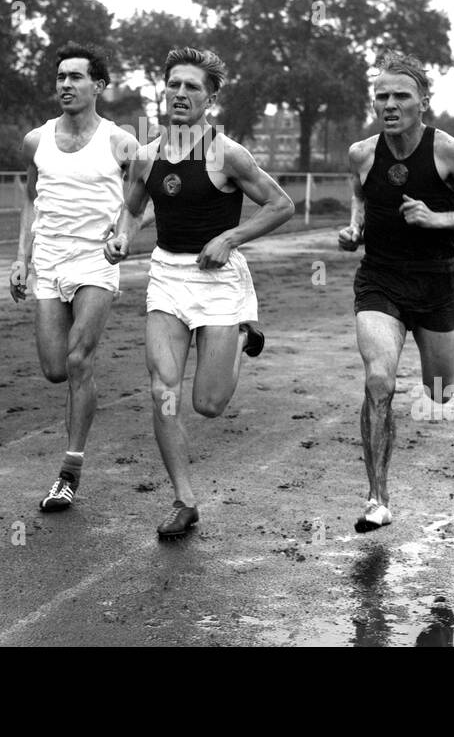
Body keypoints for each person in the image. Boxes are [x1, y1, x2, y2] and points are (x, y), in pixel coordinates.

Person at [104, 47, 294, 539]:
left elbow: (281, 204)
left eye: (192, 86)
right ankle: (184, 500)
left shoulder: (227, 154)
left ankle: (242, 334)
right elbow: (132, 208)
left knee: (208, 404)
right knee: (162, 390)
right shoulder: (145, 156)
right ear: (162, 90)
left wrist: (230, 237)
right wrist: (123, 237)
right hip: (167, 276)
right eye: (174, 84)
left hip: (218, 282)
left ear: (211, 97)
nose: (181, 93)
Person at [337, 54, 454, 532]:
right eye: (382, 96)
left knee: (440, 390)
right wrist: (356, 229)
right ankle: (377, 499)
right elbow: (360, 195)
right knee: (378, 381)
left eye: (401, 96)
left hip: (436, 281)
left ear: (422, 102)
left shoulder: (450, 151)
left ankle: (450, 362)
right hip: (381, 279)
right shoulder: (362, 153)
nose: (389, 105)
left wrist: (438, 219)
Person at [10, 43, 140, 513]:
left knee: (80, 360)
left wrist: (124, 234)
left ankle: (69, 473)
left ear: (99, 86)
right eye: (61, 76)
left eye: (76, 77)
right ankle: (81, 392)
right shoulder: (35, 140)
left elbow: (141, 202)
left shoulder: (121, 143)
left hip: (95, 264)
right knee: (55, 369)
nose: (65, 84)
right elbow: (30, 199)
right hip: (49, 264)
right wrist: (21, 258)